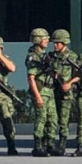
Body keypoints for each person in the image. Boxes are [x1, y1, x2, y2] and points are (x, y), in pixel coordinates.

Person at [47, 29, 80, 156]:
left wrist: (69, 83)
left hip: (65, 93)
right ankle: (49, 144)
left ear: (64, 43)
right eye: (54, 43)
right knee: (50, 119)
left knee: (63, 120)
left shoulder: (72, 57)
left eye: (58, 43)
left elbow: (79, 74)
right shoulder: (51, 57)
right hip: (52, 91)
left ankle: (62, 145)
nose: (55, 45)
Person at [26, 28, 55, 157]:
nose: (47, 40)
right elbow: (31, 78)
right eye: (45, 38)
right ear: (37, 40)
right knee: (41, 118)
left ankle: (50, 145)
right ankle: (38, 146)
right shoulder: (34, 57)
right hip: (41, 90)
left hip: (49, 90)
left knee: (52, 119)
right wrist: (37, 96)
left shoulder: (45, 55)